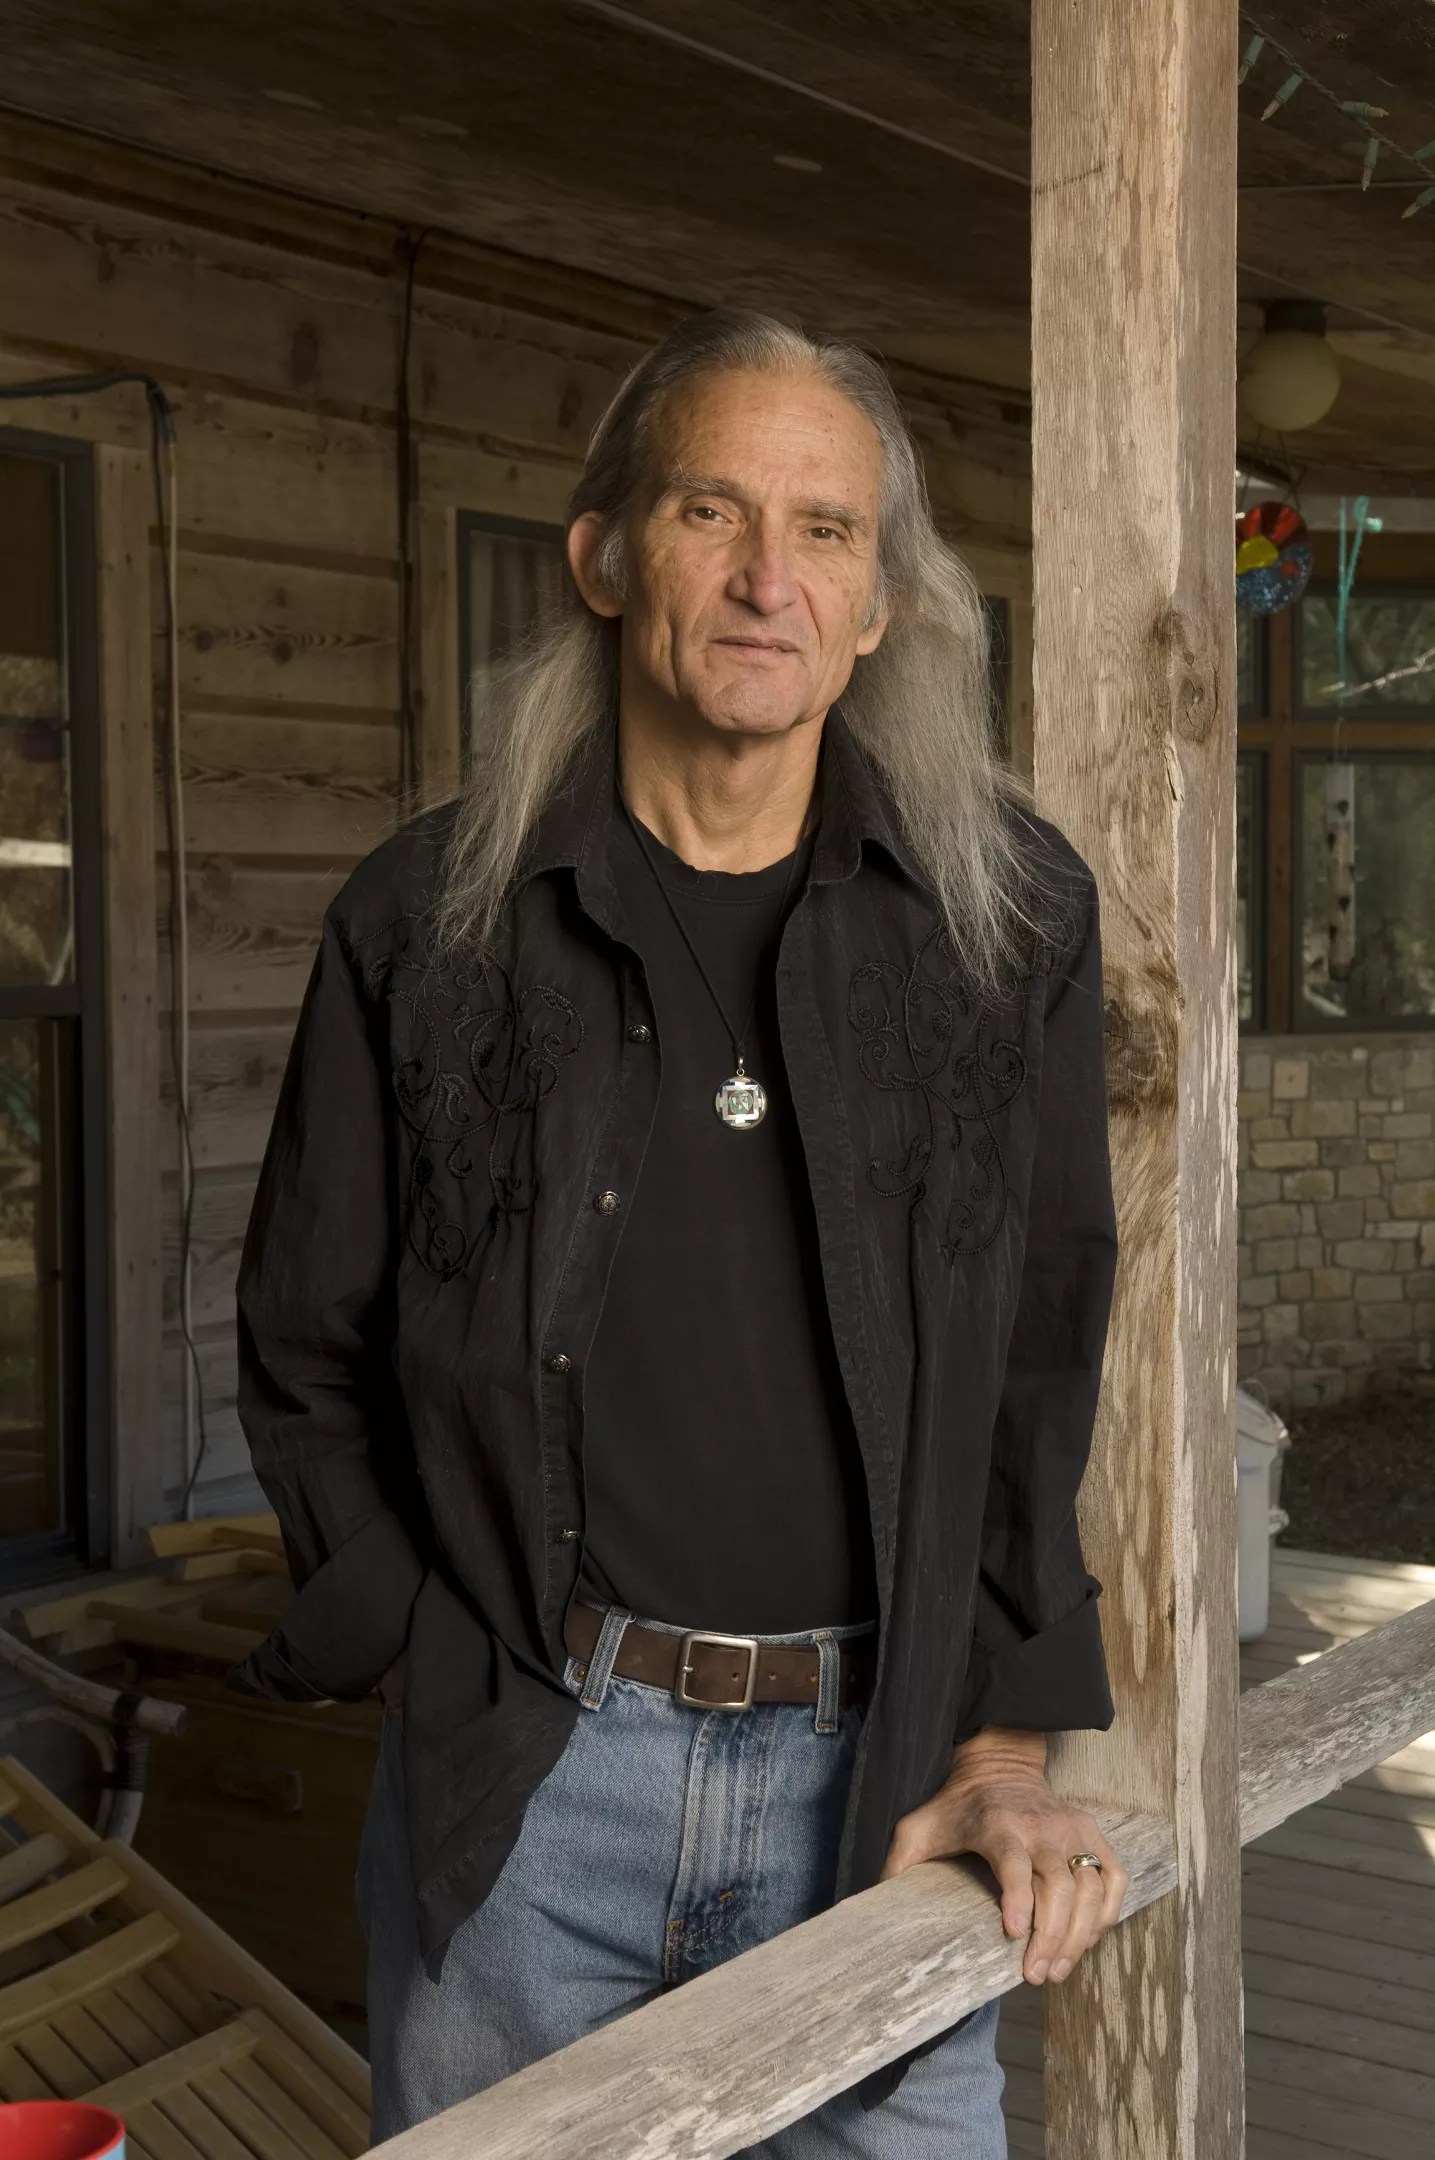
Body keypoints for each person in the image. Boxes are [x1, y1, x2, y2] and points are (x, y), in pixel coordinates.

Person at [232, 307, 1128, 2155]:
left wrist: (997, 1754)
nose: (765, 578)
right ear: (605, 557)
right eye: (712, 511)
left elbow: (1039, 1361)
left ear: (876, 607)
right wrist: (427, 1654)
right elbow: (306, 1340)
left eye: (824, 529)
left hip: (879, 1800)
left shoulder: (1006, 922)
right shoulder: (427, 922)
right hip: (531, 1800)